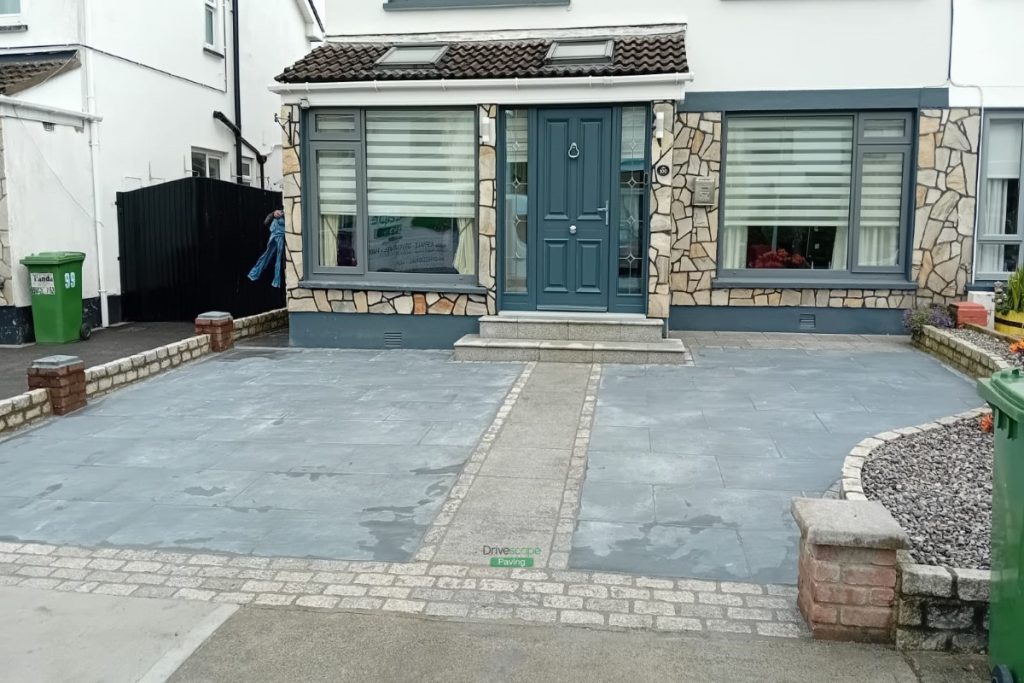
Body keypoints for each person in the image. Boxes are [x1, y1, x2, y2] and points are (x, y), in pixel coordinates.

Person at [248, 209, 285, 288]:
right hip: (276, 234)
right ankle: (255, 273)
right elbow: (266, 222)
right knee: (267, 255)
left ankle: (276, 281)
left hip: (281, 237)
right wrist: (273, 214)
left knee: (278, 258)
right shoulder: (276, 213)